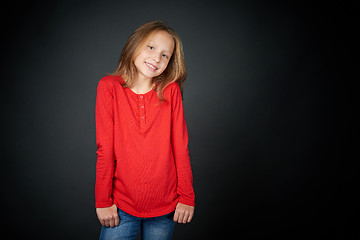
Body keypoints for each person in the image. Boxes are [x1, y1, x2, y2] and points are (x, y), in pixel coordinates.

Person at [95, 20, 195, 240]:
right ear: (135, 45)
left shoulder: (171, 90)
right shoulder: (109, 87)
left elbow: (180, 147)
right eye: (151, 47)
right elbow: (105, 149)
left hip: (165, 207)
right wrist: (103, 201)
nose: (156, 58)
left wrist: (187, 197)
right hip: (121, 206)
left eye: (165, 55)